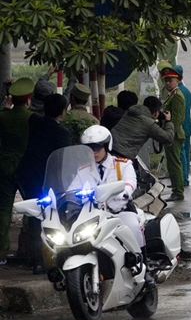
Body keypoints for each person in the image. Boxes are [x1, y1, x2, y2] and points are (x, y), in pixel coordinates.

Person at [80, 125, 155, 288]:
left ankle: (145, 267)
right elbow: (72, 187)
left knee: (133, 227)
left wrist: (123, 192)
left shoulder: (122, 164)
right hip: (93, 215)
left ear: (107, 146)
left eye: (98, 147)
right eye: (90, 148)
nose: (94, 152)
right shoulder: (83, 170)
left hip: (120, 211)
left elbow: (130, 183)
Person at [15, 94, 71, 274]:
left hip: (29, 176)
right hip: (49, 181)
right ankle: (55, 257)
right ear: (63, 112)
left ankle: (37, 261)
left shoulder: (34, 121)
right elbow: (62, 161)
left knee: (34, 218)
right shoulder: (63, 133)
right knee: (54, 217)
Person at [0, 78, 35, 265]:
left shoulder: (3, 117)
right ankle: (27, 248)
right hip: (26, 169)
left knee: (4, 209)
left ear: (12, 99)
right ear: (28, 100)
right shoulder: (33, 119)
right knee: (31, 208)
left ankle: (1, 250)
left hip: (4, 167)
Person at [159, 66, 186, 202]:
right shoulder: (172, 95)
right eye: (166, 81)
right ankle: (176, 189)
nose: (168, 83)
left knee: (174, 163)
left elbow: (177, 119)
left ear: (177, 80)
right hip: (171, 133)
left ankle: (178, 191)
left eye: (171, 80)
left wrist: (170, 134)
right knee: (172, 163)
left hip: (174, 134)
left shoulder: (177, 97)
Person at [168, 64, 191, 188]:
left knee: (181, 155)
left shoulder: (179, 92)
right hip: (187, 126)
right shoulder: (185, 91)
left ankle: (182, 179)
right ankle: (184, 177)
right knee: (185, 154)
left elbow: (179, 114)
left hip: (181, 127)